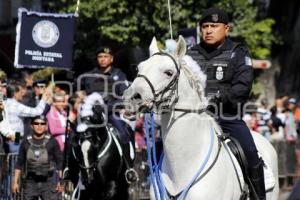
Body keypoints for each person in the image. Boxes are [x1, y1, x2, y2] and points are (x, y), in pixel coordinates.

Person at [187, 7, 265, 199]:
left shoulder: (238, 52)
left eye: (214, 26)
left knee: (250, 153)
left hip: (226, 116)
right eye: (205, 26)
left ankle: (259, 196)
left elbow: (242, 88)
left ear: (226, 28)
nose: (209, 30)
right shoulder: (190, 54)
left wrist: (218, 97)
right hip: (193, 117)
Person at [80, 46, 131, 144]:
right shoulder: (89, 76)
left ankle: (126, 159)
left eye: (105, 56)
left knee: (123, 134)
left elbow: (125, 98)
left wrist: (106, 107)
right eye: (100, 56)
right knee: (75, 135)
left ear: (111, 59)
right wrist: (79, 97)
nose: (102, 59)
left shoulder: (119, 75)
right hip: (90, 115)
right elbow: (78, 92)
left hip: (110, 114)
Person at [12, 115, 63, 200]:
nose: (39, 126)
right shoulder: (25, 142)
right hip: (30, 182)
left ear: (46, 126)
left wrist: (60, 182)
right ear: (32, 126)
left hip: (48, 183)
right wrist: (15, 182)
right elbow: (19, 163)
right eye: (36, 123)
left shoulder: (52, 141)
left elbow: (59, 162)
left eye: (42, 124)